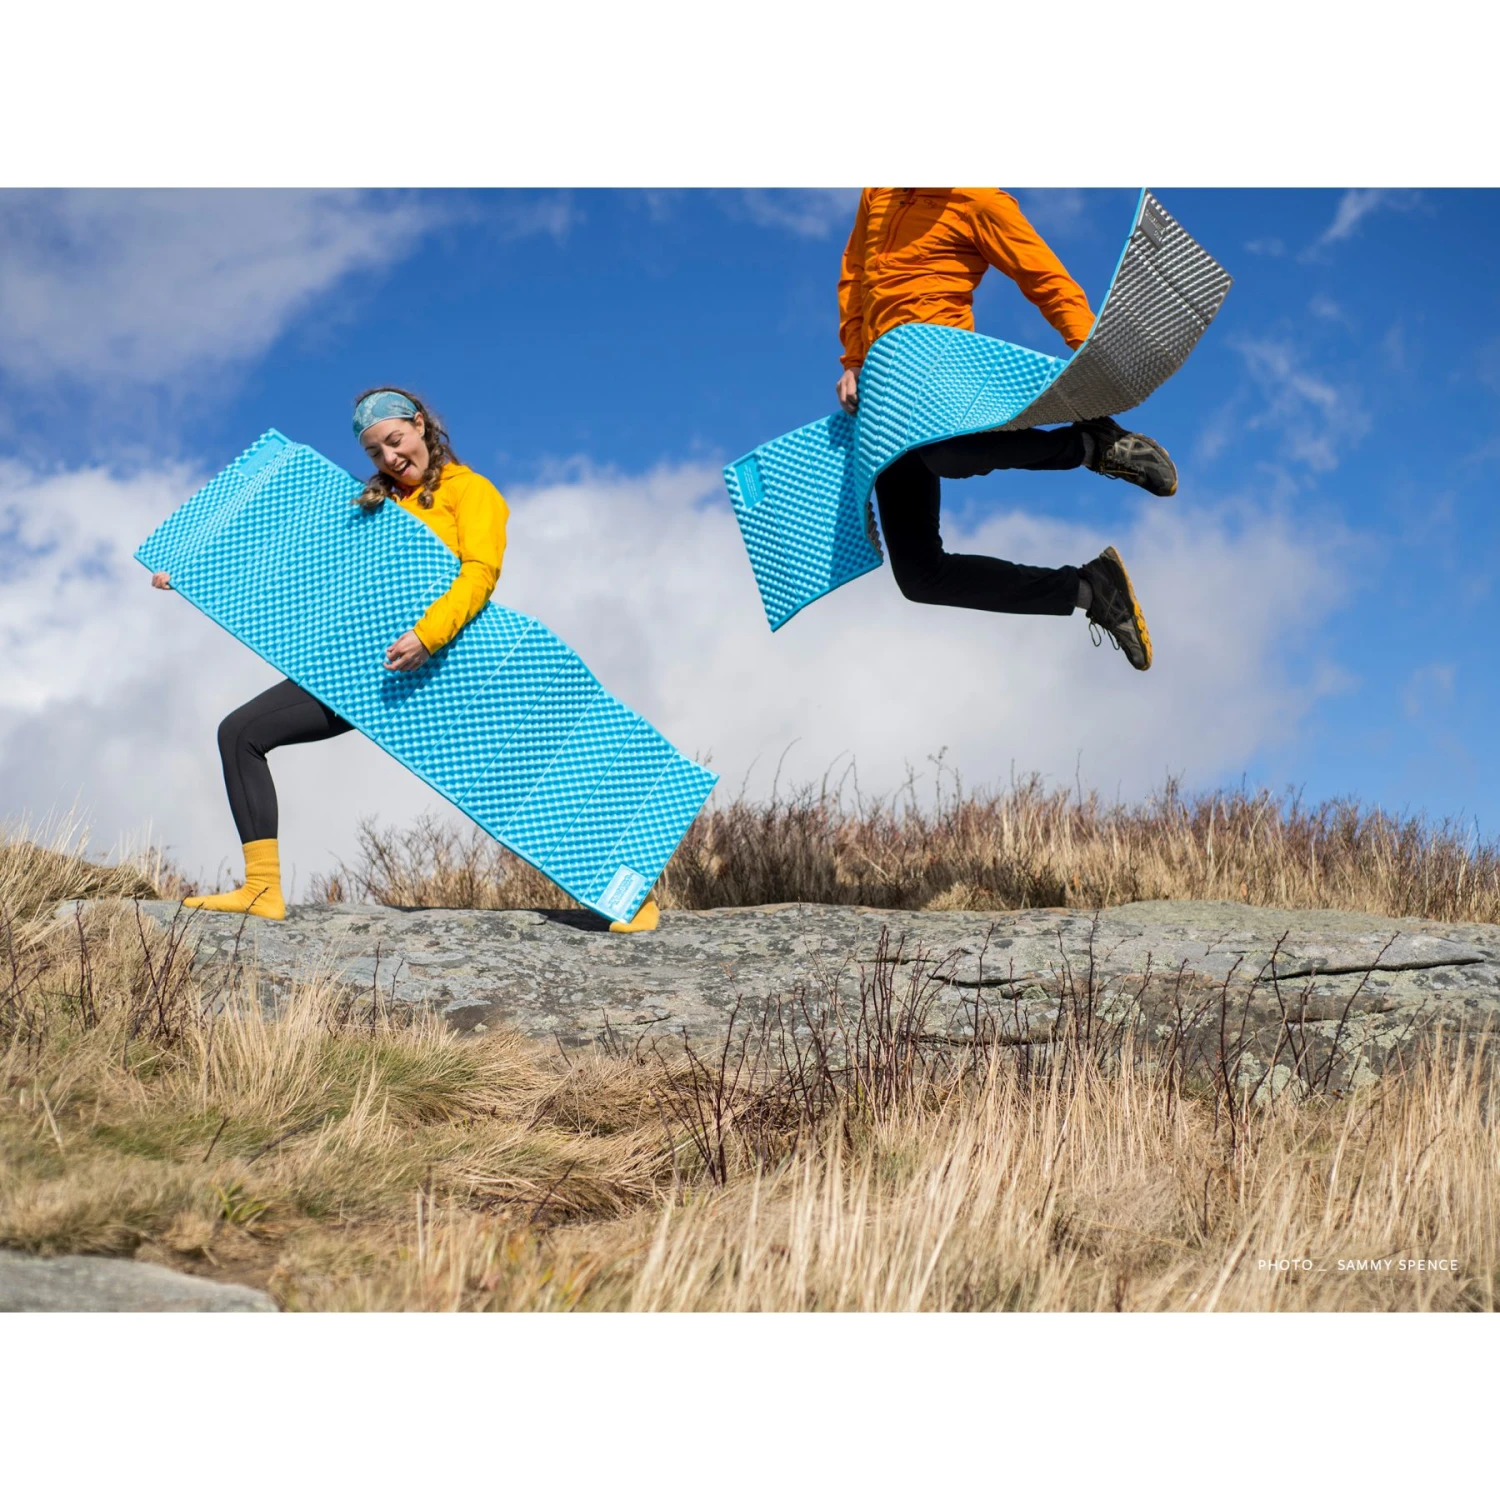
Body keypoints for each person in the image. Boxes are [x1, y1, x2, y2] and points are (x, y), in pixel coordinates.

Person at [152, 388, 662, 934]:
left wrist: (426, 636)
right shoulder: (369, 505)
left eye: (395, 441)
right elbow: (290, 556)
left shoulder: (471, 492)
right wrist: (197, 574)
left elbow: (480, 574)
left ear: (420, 425)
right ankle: (261, 889)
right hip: (359, 670)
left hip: (451, 668)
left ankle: (634, 898)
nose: (390, 457)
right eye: (375, 452)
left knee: (526, 773)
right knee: (240, 734)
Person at [837, 188, 1178, 671]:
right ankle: (1091, 590)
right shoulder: (878, 191)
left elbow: (1044, 278)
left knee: (948, 454)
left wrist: (1093, 360)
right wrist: (853, 361)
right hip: (884, 392)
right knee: (919, 577)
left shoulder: (979, 200)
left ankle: (1091, 446)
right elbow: (856, 274)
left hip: (938, 368)